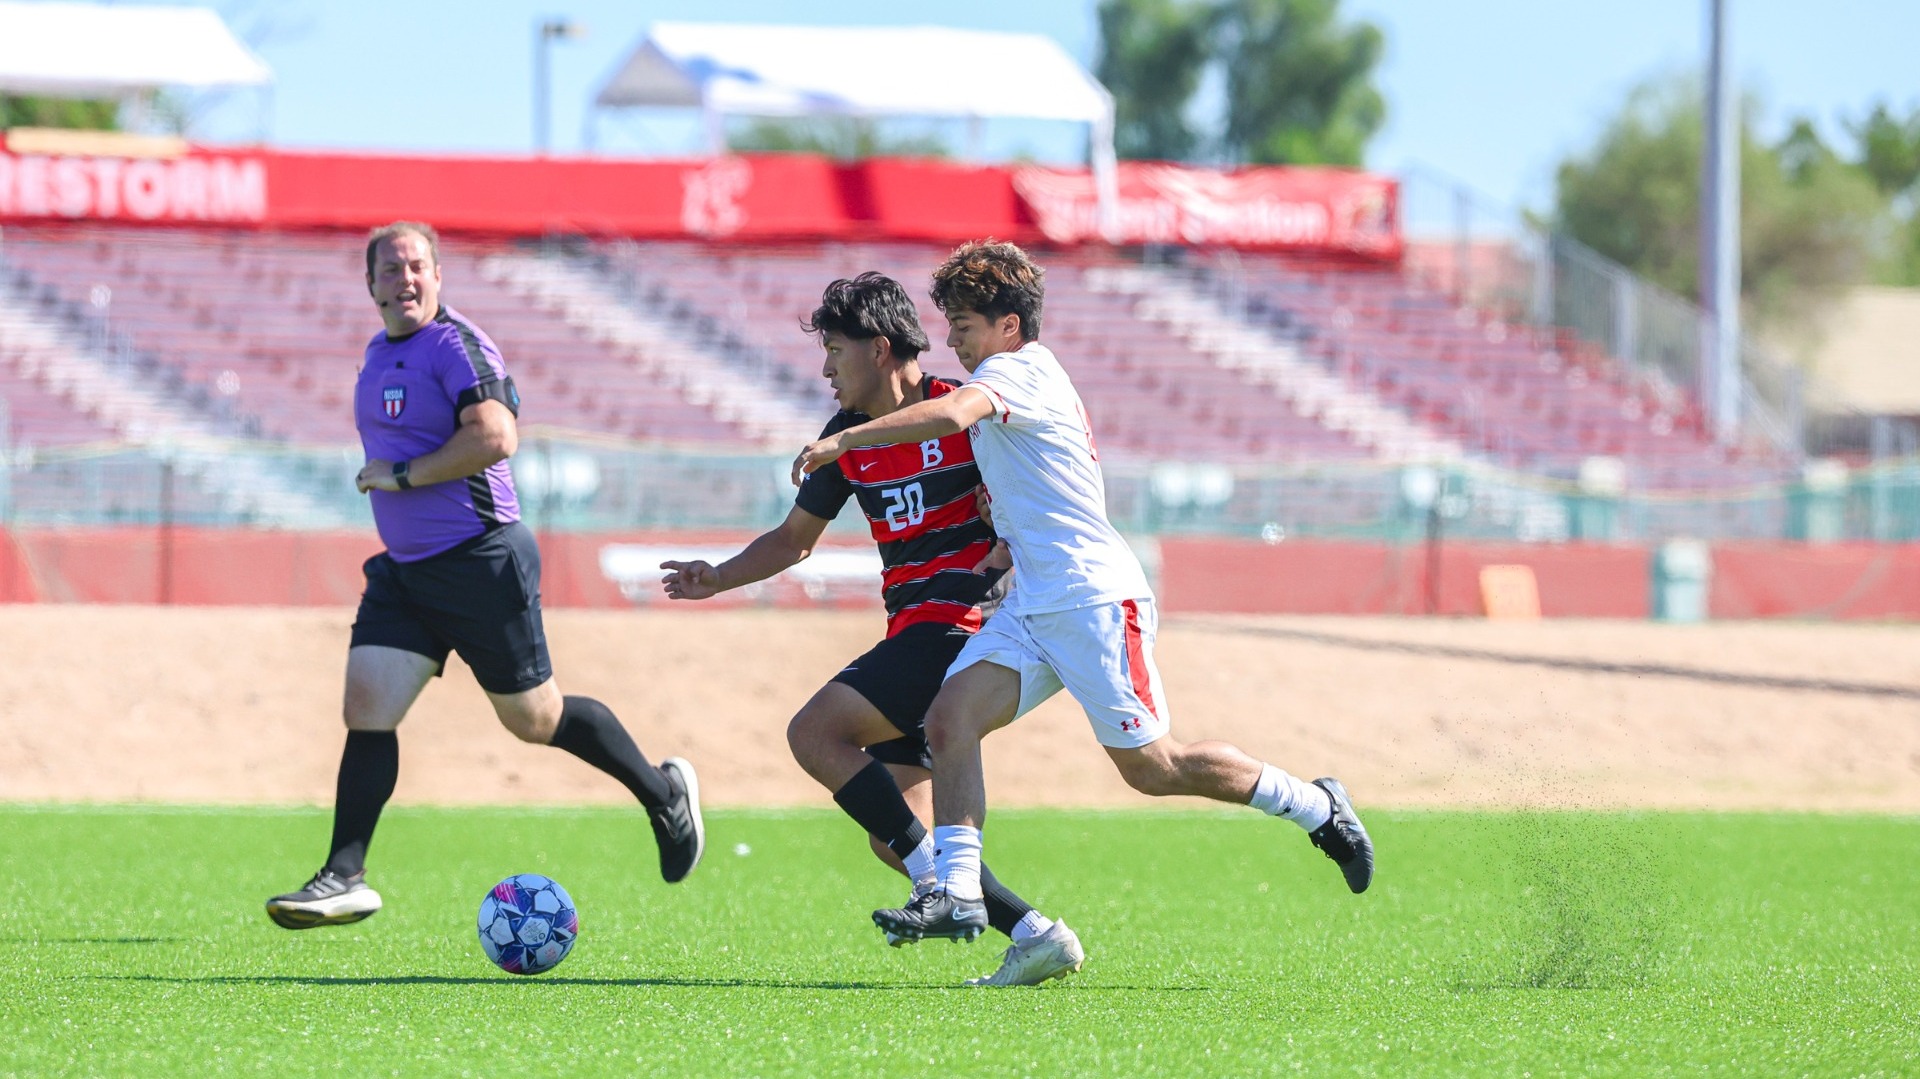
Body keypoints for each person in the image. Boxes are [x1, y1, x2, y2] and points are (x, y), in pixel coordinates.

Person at [792, 241, 1374, 944]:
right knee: (949, 719)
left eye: (965, 326)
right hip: (1034, 604)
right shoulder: (1003, 387)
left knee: (1156, 767)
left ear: (1009, 325)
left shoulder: (1022, 370)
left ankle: (1316, 806)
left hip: (1092, 597)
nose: (954, 342)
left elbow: (949, 417)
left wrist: (842, 443)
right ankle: (958, 893)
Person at [266, 222, 704, 930]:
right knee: (367, 706)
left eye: (417, 266)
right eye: (390, 269)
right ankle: (344, 875)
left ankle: (663, 794)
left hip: (480, 560)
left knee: (536, 719)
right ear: (370, 284)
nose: (406, 279)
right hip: (406, 574)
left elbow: (497, 436)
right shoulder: (377, 353)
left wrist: (401, 475)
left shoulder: (456, 344)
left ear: (438, 275)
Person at [660, 272, 1082, 987]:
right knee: (896, 834)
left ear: (880, 348)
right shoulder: (843, 438)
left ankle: (939, 891)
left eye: (834, 351)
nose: (826, 370)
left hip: (963, 627)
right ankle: (1036, 934)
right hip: (911, 631)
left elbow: (1034, 495)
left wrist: (1009, 537)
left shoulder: (964, 411)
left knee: (815, 732)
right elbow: (794, 540)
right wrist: (718, 576)